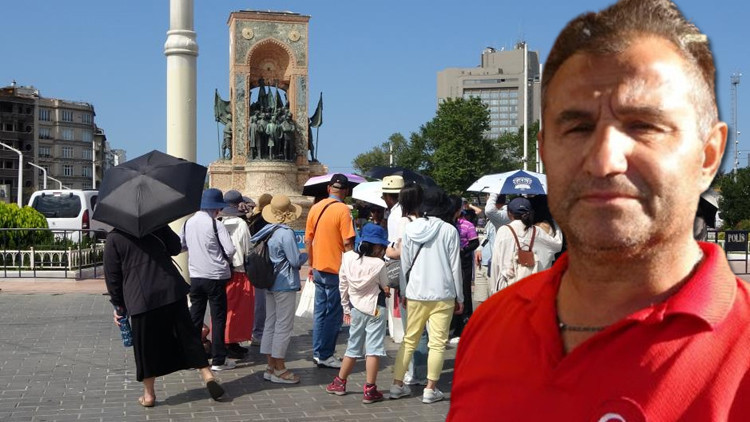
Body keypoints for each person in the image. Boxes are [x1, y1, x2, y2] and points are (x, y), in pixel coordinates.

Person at [448, 0, 750, 420]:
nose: (605, 160)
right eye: (578, 128)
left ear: (709, 156)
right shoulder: (490, 328)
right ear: (544, 152)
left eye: (644, 125)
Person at [105, 226, 225, 406]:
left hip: (141, 298)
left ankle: (149, 395)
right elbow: (176, 247)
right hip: (171, 289)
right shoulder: (156, 224)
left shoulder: (114, 238)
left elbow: (112, 276)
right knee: (188, 336)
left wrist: (119, 306)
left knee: (145, 347)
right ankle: (208, 375)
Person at [389, 186, 462, 404]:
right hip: (443, 292)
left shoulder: (411, 229)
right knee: (437, 343)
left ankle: (397, 385)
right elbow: (455, 267)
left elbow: (405, 264)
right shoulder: (449, 230)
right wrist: (460, 297)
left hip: (415, 292)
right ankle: (430, 389)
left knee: (409, 340)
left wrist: (404, 291)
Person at [326, 223, 391, 404]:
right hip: (376, 308)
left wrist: (346, 308)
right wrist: (385, 289)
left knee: (353, 347)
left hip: (355, 308)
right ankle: (370, 389)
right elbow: (385, 285)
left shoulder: (347, 258)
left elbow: (343, 285)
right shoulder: (379, 264)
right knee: (373, 349)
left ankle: (339, 383)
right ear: (377, 247)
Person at [180, 188, 237, 372]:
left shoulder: (188, 223)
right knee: (218, 318)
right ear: (216, 208)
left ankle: (192, 358)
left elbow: (181, 246)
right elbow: (230, 250)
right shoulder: (216, 225)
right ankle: (219, 359)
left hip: (196, 276)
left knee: (195, 317)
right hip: (216, 276)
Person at [253, 195, 308, 384]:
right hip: (284, 283)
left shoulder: (267, 230)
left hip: (268, 281)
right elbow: (294, 260)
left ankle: (270, 366)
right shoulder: (285, 233)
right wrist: (306, 255)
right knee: (283, 326)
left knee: (270, 323)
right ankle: (280, 368)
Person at [304, 174, 356, 369]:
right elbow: (347, 242)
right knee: (334, 313)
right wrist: (353, 266)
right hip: (337, 269)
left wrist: (311, 263)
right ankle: (326, 354)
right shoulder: (343, 210)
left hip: (318, 266)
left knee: (320, 312)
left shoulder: (315, 208)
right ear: (346, 191)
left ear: (328, 188)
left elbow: (308, 240)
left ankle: (318, 352)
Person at [384, 182, 429, 386]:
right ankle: (421, 371)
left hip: (408, 278)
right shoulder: (427, 222)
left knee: (411, 327)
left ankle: (415, 372)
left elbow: (400, 252)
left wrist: (388, 251)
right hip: (425, 276)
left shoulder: (404, 221)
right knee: (423, 329)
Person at [489, 197, 563, 294]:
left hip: (507, 288)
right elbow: (557, 245)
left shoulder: (504, 231)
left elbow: (496, 263)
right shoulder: (537, 231)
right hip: (533, 289)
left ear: (509, 213)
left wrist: (494, 290)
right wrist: (555, 224)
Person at [219, 190, 254, 359]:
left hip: (222, 271)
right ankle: (231, 342)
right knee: (238, 310)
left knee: (224, 308)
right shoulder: (240, 224)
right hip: (239, 270)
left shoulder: (218, 222)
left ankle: (227, 341)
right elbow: (248, 248)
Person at [449, 195, 479, 342]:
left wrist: (464, 250)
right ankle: (452, 325)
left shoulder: (467, 225)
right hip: (449, 262)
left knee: (465, 292)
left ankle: (465, 324)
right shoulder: (447, 224)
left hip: (464, 262)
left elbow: (475, 243)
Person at [247, 192, 272, 346]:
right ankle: (259, 333)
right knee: (262, 301)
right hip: (263, 263)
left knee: (258, 300)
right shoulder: (266, 221)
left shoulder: (253, 219)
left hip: (253, 262)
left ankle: (256, 331)